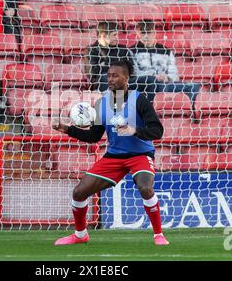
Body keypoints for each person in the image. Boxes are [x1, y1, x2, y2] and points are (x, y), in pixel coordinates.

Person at [52, 60, 169, 246]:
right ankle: (80, 235)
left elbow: (157, 131)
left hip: (140, 154)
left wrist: (134, 130)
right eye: (109, 76)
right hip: (114, 156)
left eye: (115, 75)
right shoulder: (101, 103)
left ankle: (158, 235)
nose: (110, 79)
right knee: (79, 192)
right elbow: (94, 136)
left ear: (126, 78)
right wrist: (69, 130)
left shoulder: (139, 99)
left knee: (145, 188)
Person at [129, 19, 201, 102]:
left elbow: (174, 74)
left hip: (166, 83)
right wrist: (153, 77)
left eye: (148, 32)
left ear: (154, 32)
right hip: (146, 86)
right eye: (143, 33)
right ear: (138, 33)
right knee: (157, 84)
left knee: (193, 86)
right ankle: (157, 110)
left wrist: (167, 77)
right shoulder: (132, 51)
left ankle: (189, 112)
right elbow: (135, 75)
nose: (146, 36)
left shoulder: (166, 51)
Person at [84, 21, 134, 92]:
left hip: (125, 80)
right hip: (104, 82)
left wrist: (106, 66)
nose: (117, 38)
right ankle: (117, 102)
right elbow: (93, 73)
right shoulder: (91, 50)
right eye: (114, 35)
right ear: (104, 35)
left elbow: (131, 69)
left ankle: (149, 102)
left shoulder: (122, 49)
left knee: (150, 80)